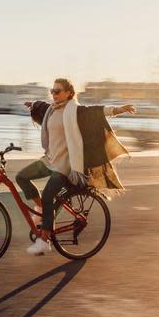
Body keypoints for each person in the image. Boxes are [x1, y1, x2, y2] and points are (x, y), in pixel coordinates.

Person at [17, 78, 135, 255]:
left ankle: (44, 240)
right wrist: (32, 105)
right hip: (50, 160)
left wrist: (118, 110)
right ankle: (41, 208)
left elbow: (96, 111)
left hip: (65, 165)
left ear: (68, 93)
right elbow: (40, 106)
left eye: (57, 91)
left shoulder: (75, 111)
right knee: (21, 177)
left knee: (49, 194)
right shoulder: (51, 109)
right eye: (52, 91)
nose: (54, 94)